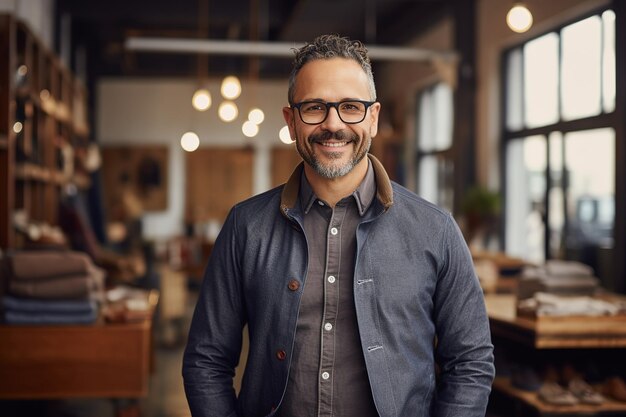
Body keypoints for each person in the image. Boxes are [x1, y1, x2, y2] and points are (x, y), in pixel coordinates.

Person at [183, 34, 495, 417]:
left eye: (351, 107)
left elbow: (471, 362)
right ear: (291, 120)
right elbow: (206, 360)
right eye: (315, 107)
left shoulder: (436, 230)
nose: (333, 124)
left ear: (374, 118)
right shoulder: (246, 227)